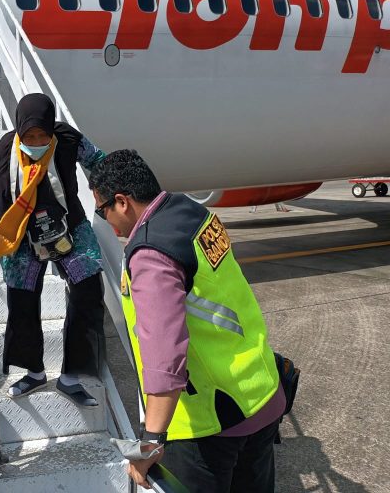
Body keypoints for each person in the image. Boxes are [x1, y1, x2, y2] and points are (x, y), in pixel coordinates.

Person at [88, 150, 286, 493]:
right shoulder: (192, 213)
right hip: (261, 389)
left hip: (211, 419)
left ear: (121, 202)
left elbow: (165, 360)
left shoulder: (151, 252)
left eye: (101, 209)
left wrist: (149, 443)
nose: (104, 220)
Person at [0, 93, 106, 406]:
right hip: (21, 232)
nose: (36, 141)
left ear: (51, 128)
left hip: (68, 225)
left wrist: (101, 193)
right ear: (19, 131)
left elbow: (101, 163)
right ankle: (33, 371)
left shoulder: (69, 138)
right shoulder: (8, 145)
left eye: (42, 135)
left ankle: (72, 375)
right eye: (29, 136)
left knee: (87, 289)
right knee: (22, 301)